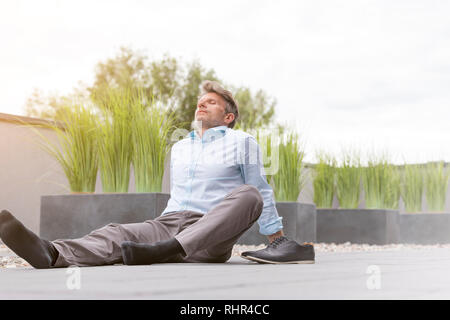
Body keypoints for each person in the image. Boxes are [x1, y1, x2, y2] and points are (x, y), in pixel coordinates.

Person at [0, 80, 314, 269]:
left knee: (249, 195)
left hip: (209, 234)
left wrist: (277, 241)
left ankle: (169, 250)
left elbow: (260, 189)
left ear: (228, 116)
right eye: (199, 102)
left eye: (211, 103)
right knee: (117, 233)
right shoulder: (181, 147)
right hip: (167, 225)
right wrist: (160, 231)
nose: (201, 106)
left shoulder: (241, 141)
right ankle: (52, 253)